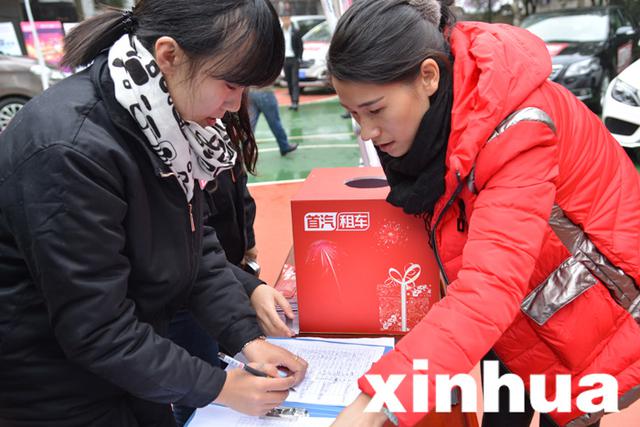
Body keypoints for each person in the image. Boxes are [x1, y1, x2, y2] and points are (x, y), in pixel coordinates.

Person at [326, 1, 640, 427]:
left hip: (584, 306)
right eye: (354, 115)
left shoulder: (518, 128)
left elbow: (489, 287)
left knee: (566, 414)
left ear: (429, 76)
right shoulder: (452, 105)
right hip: (520, 301)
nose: (367, 132)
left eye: (375, 110)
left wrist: (374, 404)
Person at [0, 1, 308, 426]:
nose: (236, 105)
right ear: (168, 55)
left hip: (129, 371)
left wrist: (246, 338)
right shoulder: (71, 150)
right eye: (230, 84)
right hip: (57, 394)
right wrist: (219, 387)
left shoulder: (162, 125)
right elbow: (96, 327)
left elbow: (193, 244)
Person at [168, 96, 297, 426]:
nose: (234, 101)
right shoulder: (167, 144)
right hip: (189, 288)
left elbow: (240, 191)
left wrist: (247, 246)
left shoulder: (219, 122)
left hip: (222, 271)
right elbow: (185, 244)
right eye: (229, 84)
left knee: (231, 364)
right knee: (199, 388)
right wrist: (249, 287)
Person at [248, 87, 298, 155]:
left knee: (249, 124)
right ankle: (284, 146)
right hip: (265, 91)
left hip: (250, 92)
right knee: (275, 122)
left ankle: (245, 150)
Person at [281, 15, 303, 111]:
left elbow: (300, 45)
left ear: (290, 20)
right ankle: (292, 101)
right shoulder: (280, 32)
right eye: (284, 19)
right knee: (289, 81)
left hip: (294, 59)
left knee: (295, 81)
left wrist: (299, 58)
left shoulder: (295, 31)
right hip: (285, 60)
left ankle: (295, 102)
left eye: (287, 19)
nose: (286, 21)